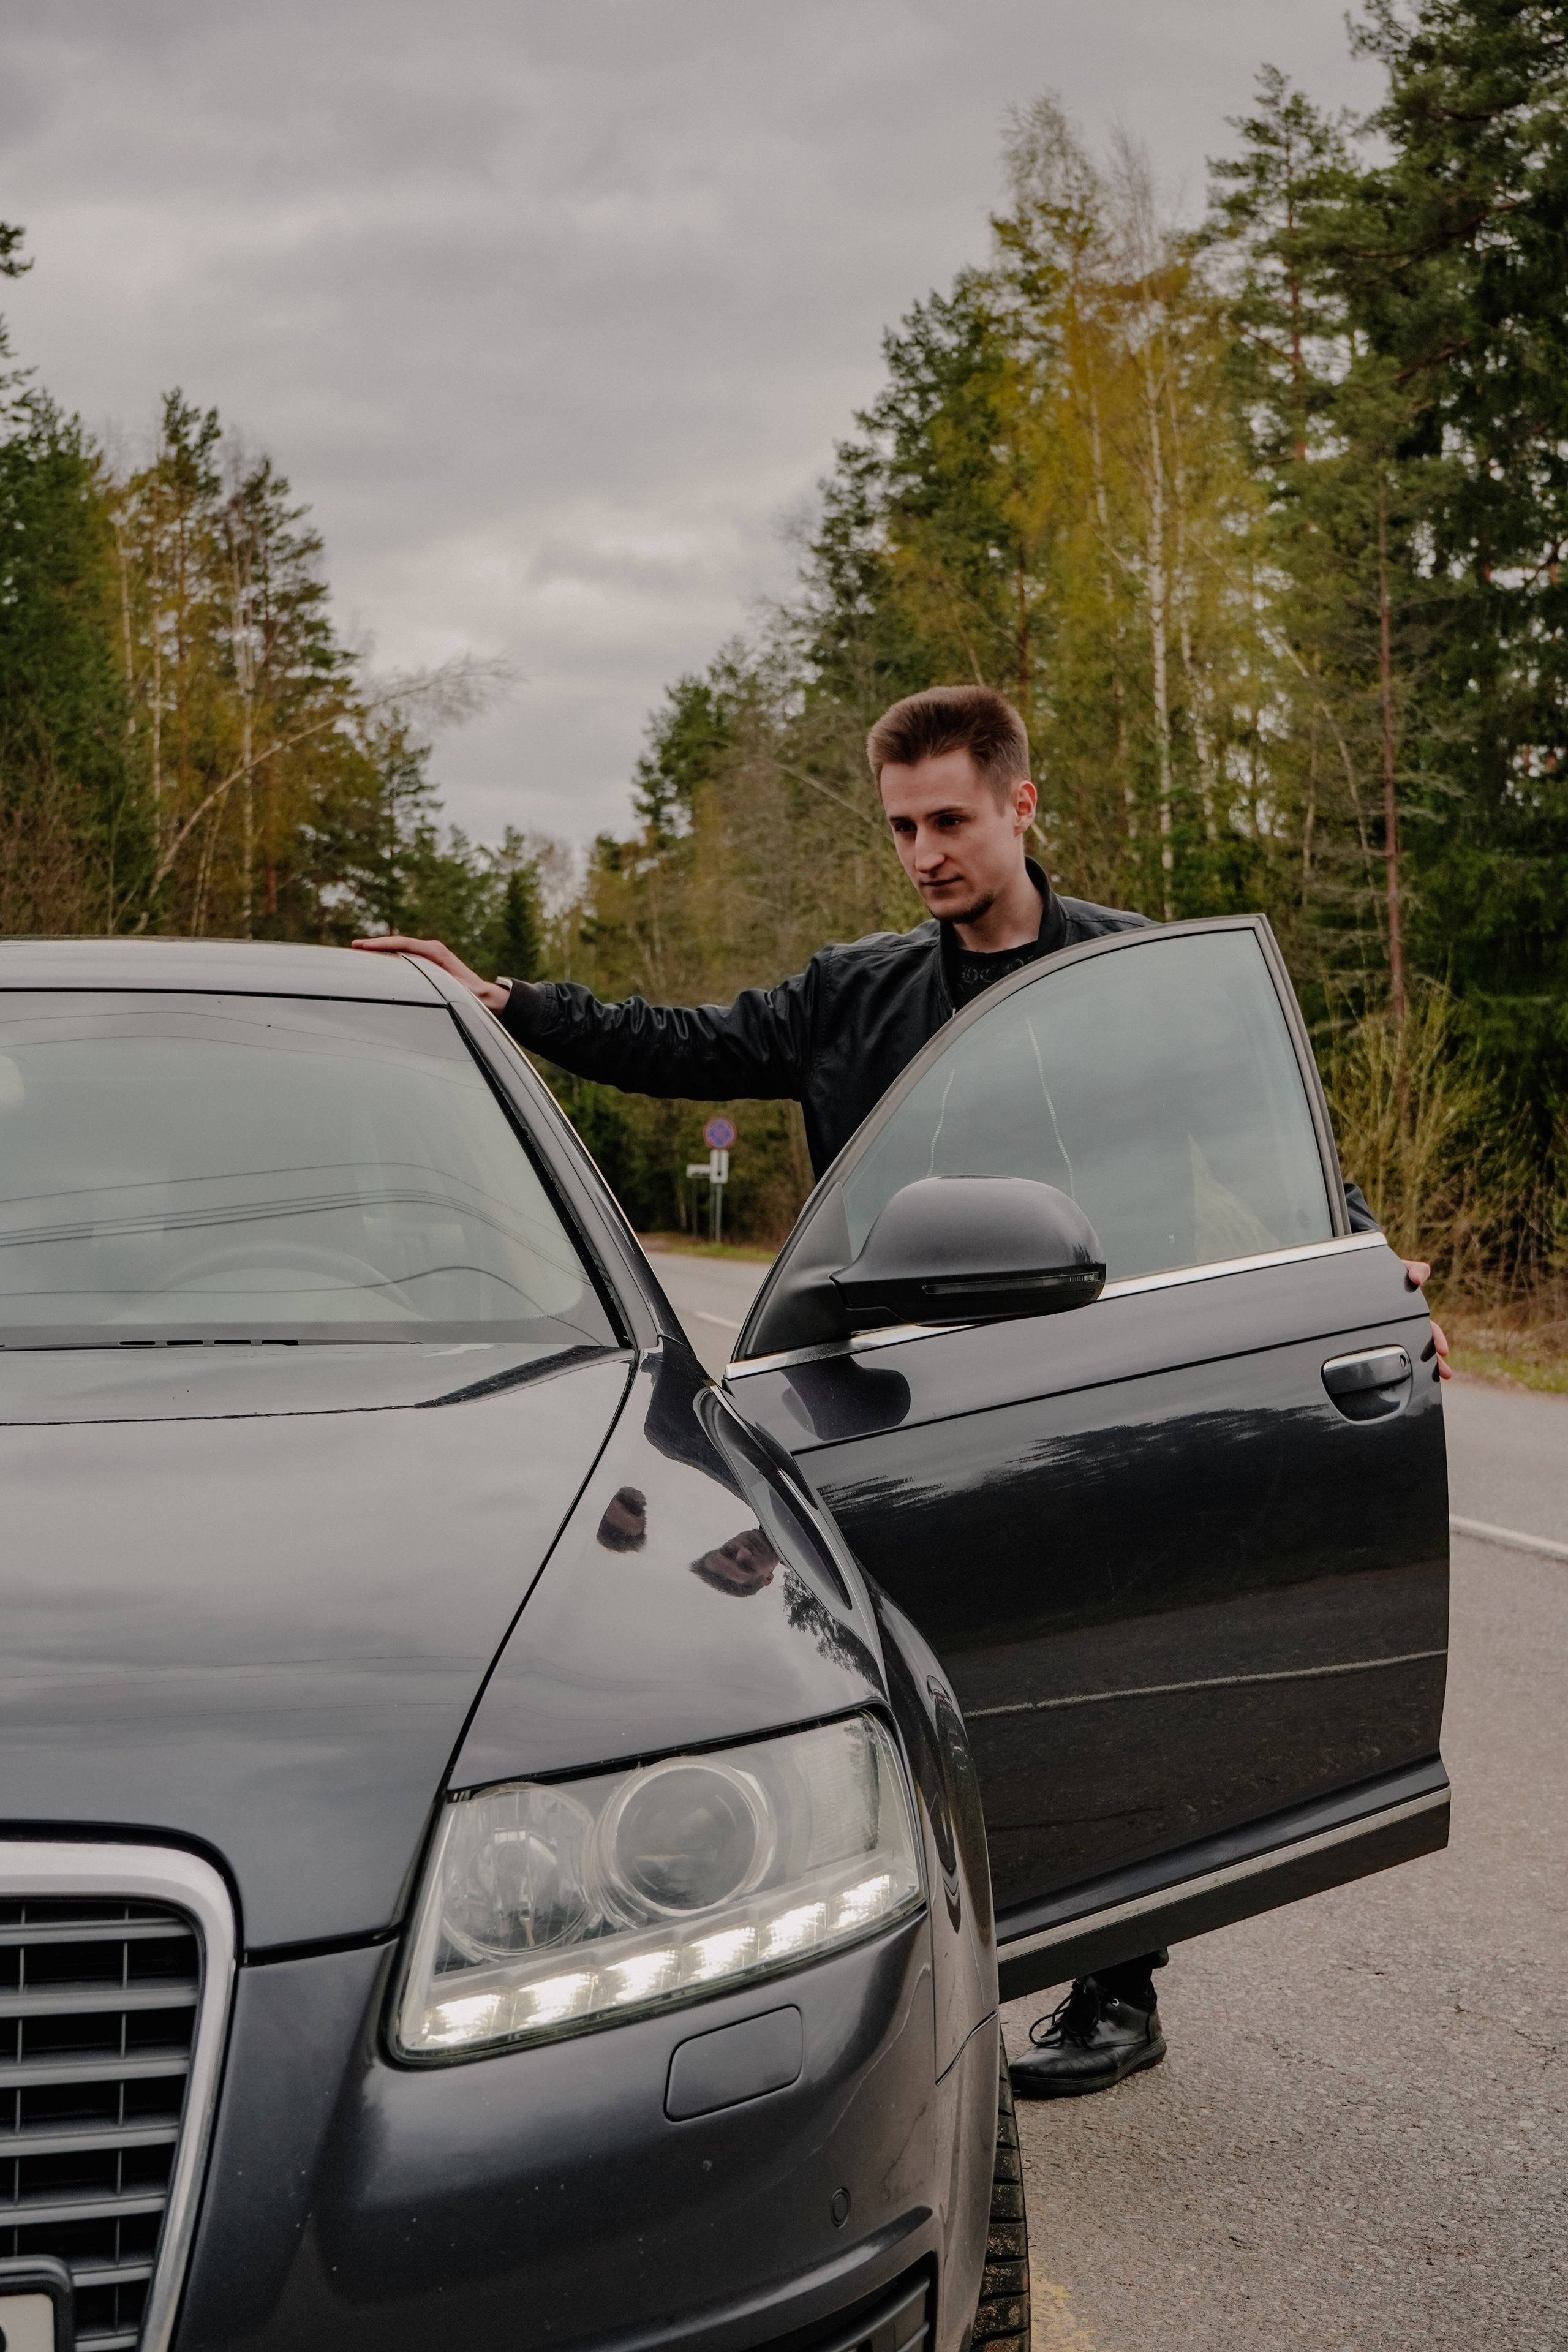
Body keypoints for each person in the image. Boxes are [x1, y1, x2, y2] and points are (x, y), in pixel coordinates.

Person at [355, 680, 1451, 2098]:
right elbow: (677, 1043)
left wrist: (1361, 1270)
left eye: (947, 819)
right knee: (893, 1686)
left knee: (1091, 1673)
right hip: (896, 1400)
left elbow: (1253, 1157)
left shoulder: (1127, 988)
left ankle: (1117, 1973)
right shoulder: (851, 991)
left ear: (1018, 805)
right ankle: (882, 1958)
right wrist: (505, 1002)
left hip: (1102, 1384)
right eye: (900, 827)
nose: (923, 851)